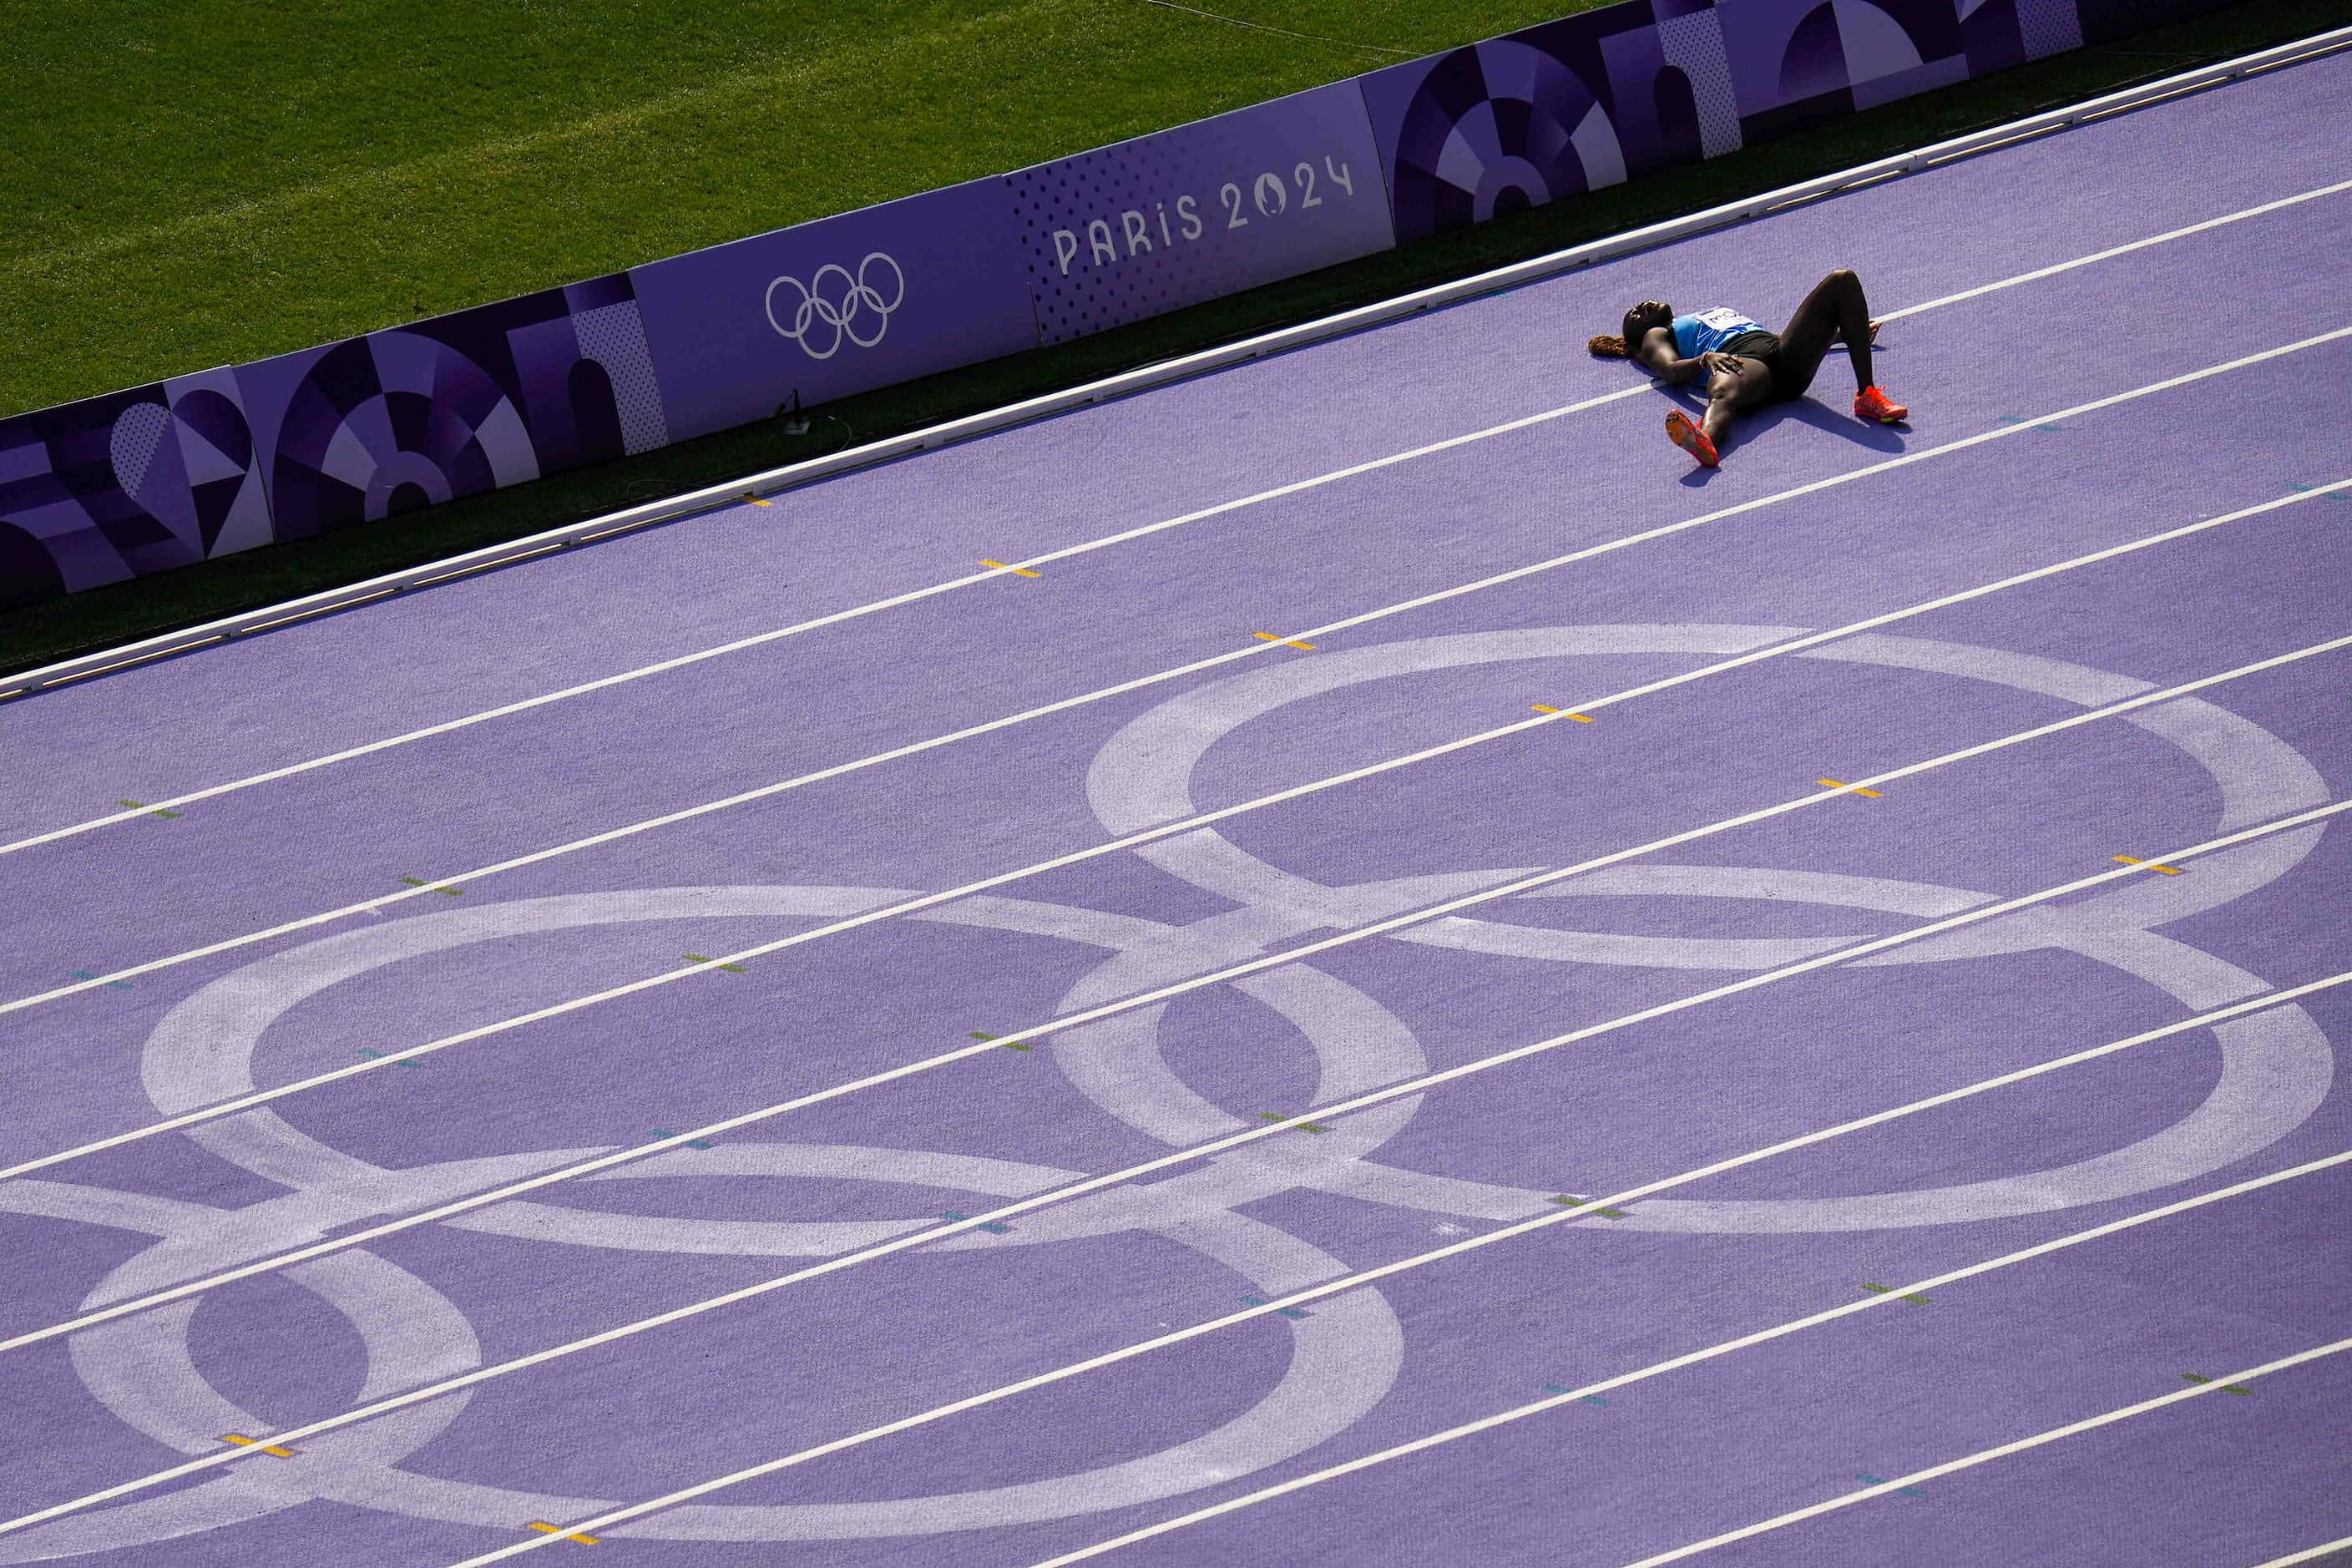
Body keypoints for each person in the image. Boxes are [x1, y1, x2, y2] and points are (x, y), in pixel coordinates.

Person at [1587, 269, 1908, 467]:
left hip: (1781, 352)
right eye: (1634, 315)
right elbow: (1670, 370)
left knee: (1843, 280)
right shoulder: (1657, 336)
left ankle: (1866, 395)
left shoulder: (1702, 313)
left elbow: (1779, 337)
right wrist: (1704, 359)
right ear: (1639, 334)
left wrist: (1839, 335)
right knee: (1724, 385)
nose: (1640, 306)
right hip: (1747, 366)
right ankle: (1705, 440)